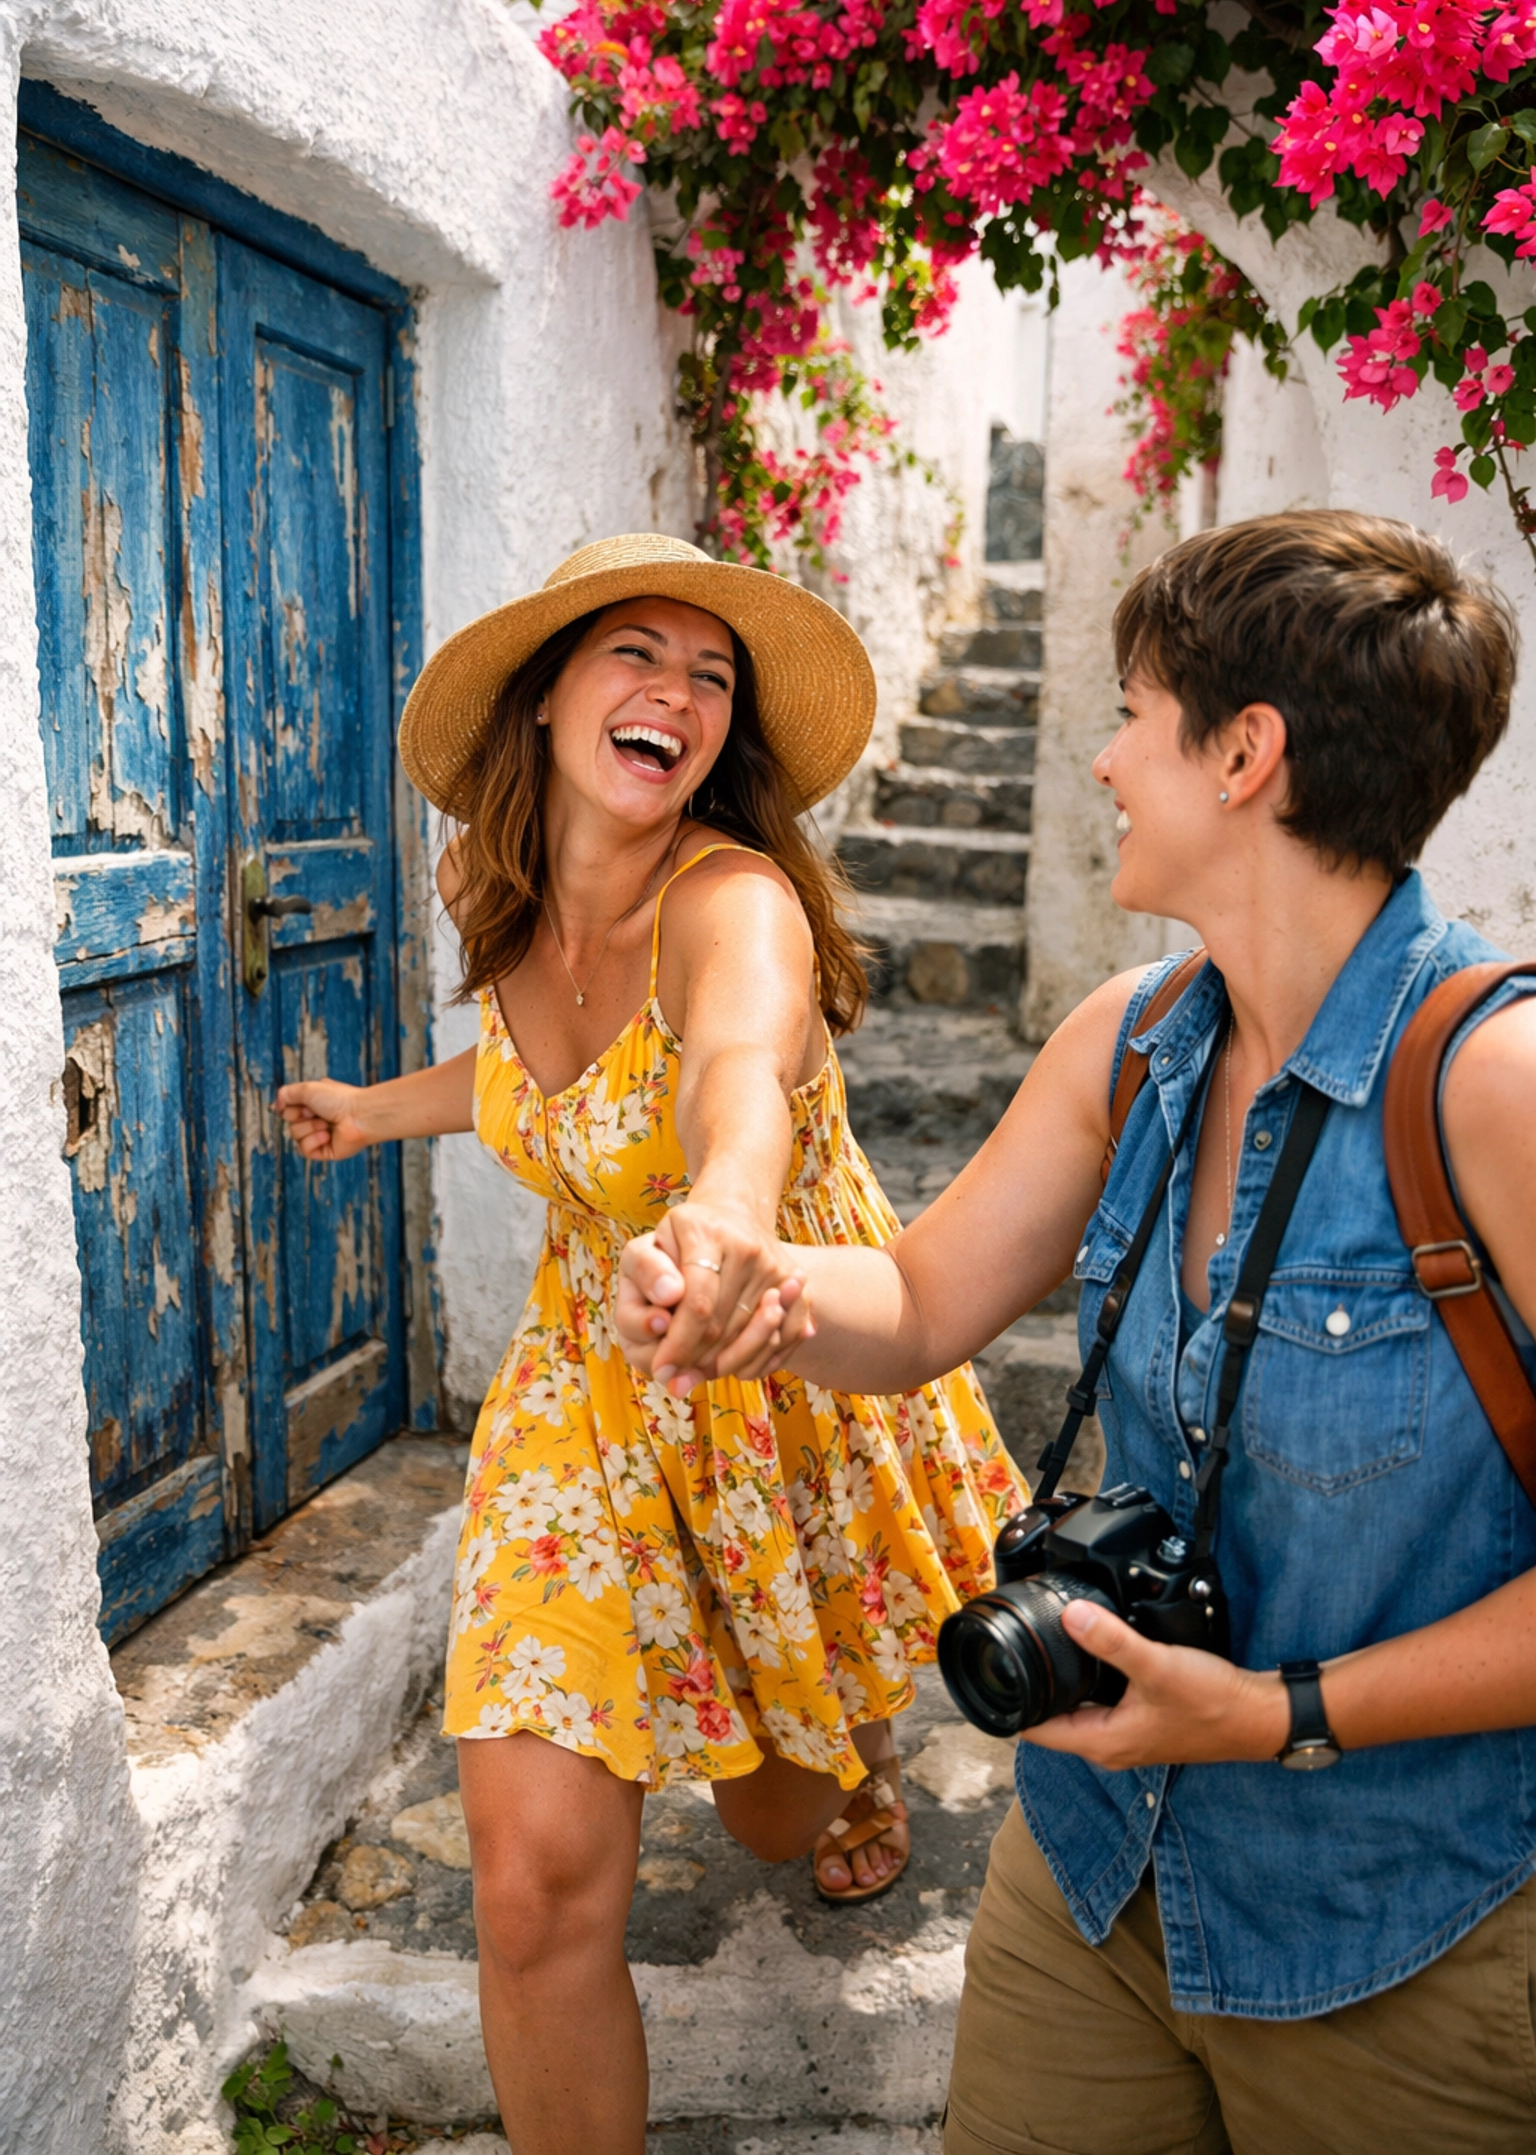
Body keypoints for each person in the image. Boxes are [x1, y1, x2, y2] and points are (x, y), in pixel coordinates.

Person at [618, 511, 1536, 2154]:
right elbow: (911, 1306)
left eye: (1134, 710)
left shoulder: (1491, 1083)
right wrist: (742, 1288)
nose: (1105, 758)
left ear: (1246, 752)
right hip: (1097, 1860)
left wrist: (1271, 1715)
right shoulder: (1130, 1043)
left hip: (1408, 1919)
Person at [273, 531, 1026, 2155]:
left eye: (711, 675)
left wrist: (731, 1217)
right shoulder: (495, 880)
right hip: (579, 1397)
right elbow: (523, 1089)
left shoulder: (736, 904)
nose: (675, 693)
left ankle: (862, 1754)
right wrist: (370, 1110)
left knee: (777, 1814)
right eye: (638, 655)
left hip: (771, 1372)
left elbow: (729, 1077)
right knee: (531, 1882)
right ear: (547, 701)